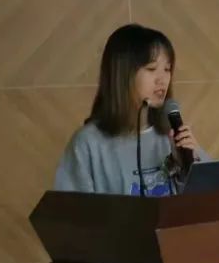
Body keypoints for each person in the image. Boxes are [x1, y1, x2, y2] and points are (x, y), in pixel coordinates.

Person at [54, 24, 206, 196]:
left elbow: (211, 199)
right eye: (151, 69)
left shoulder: (170, 135)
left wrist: (187, 166)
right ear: (123, 74)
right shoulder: (88, 143)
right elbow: (70, 209)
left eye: (167, 69)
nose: (162, 79)